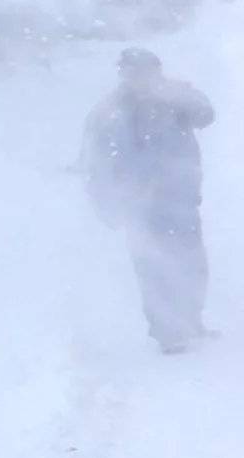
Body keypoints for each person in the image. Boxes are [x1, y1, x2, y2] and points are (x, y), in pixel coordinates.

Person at [80, 46, 217, 353]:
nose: (143, 77)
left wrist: (175, 96)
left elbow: (207, 115)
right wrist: (106, 203)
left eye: (148, 70)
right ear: (124, 74)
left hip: (181, 197)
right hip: (138, 204)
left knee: (191, 261)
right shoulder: (109, 110)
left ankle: (191, 319)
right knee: (152, 266)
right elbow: (93, 160)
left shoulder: (174, 98)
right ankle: (167, 332)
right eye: (134, 71)